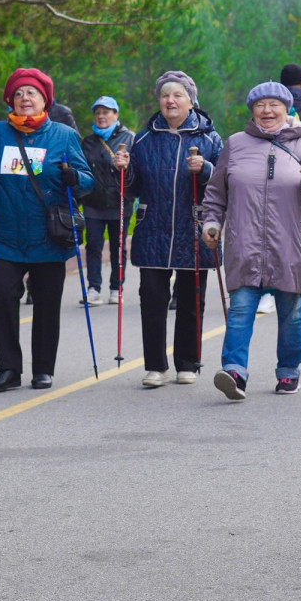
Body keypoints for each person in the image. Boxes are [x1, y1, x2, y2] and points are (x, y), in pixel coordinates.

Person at [201, 82, 301, 399]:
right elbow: (215, 194)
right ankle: (234, 373)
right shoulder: (235, 145)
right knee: (239, 311)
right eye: (260, 104)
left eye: (274, 104)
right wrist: (211, 223)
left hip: (291, 246)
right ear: (252, 110)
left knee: (291, 315)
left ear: (287, 108)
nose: (267, 110)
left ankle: (288, 372)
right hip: (243, 245)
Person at [0, 68, 94, 391]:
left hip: (48, 235)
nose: (25, 98)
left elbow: (87, 179)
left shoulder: (63, 136)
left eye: (32, 93)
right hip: (5, 234)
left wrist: (74, 179)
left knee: (48, 302)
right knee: (3, 295)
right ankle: (9, 368)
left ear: (45, 101)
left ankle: (43, 368)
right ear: (11, 99)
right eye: (19, 93)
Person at [110, 71, 222, 388]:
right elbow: (131, 189)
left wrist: (206, 170)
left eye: (177, 95)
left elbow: (226, 182)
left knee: (191, 300)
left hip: (194, 227)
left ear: (191, 100)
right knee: (152, 299)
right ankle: (155, 366)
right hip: (153, 227)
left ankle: (187, 363)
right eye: (165, 95)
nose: (170, 101)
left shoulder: (209, 138)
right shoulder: (143, 139)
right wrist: (123, 170)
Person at [80, 96, 135, 305]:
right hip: (93, 202)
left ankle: (116, 287)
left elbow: (137, 169)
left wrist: (124, 165)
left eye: (106, 112)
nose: (101, 116)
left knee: (117, 246)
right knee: (93, 245)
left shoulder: (129, 138)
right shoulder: (89, 141)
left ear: (116, 114)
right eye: (98, 113)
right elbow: (82, 168)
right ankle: (93, 287)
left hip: (120, 201)